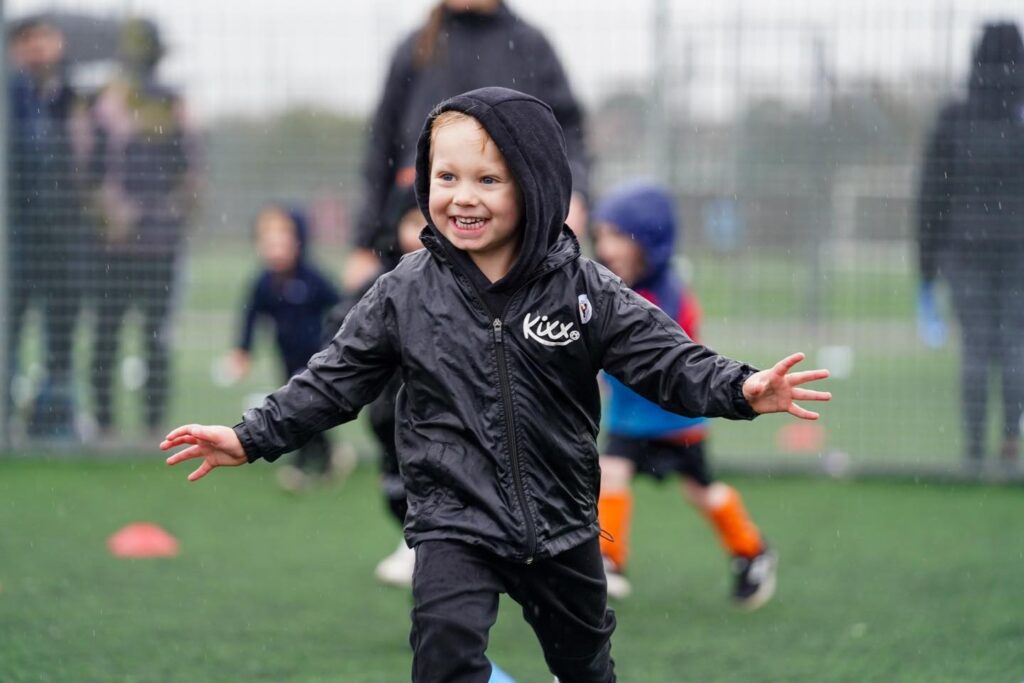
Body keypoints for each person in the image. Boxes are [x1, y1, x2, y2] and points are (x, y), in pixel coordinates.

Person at [161, 87, 831, 682]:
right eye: (445, 175)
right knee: (443, 657)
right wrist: (250, 436)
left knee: (585, 664)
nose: (462, 195)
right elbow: (332, 379)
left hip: (562, 523)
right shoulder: (403, 293)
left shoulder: (585, 291)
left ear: (535, 185)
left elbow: (668, 359)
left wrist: (742, 387)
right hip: (455, 521)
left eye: (488, 178)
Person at [591, 182, 776, 608]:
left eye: (617, 236)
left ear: (649, 243)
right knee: (612, 471)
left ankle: (752, 551)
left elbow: (678, 362)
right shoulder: (606, 288)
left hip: (676, 422)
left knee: (702, 491)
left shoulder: (670, 300)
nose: (605, 247)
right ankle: (609, 560)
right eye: (601, 236)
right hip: (628, 419)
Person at [343, 0, 590, 293]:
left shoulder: (530, 45)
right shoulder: (417, 46)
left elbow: (566, 132)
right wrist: (365, 243)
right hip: (419, 227)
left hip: (508, 235)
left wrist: (575, 193)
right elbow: (381, 146)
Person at [917, 22, 1024, 473]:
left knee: (977, 348)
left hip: (964, 249)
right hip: (1018, 248)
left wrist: (925, 270)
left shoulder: (954, 117)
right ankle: (1009, 441)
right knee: (1016, 344)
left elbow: (931, 197)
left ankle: (975, 451)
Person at [86, 17, 201, 437]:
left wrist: (171, 212)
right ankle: (104, 423)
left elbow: (191, 171)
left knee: (152, 338)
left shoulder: (173, 103)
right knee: (109, 336)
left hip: (156, 242)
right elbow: (88, 171)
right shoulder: (106, 101)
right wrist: (112, 217)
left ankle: (151, 424)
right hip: (115, 246)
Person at [323, 186, 424, 585]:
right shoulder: (384, 284)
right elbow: (342, 326)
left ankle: (429, 549)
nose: (422, 232)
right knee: (397, 493)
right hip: (390, 416)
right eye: (413, 223)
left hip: (445, 416)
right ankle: (415, 541)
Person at [6, 14, 88, 438]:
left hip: (64, 237)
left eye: (45, 39)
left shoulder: (75, 97)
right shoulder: (9, 96)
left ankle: (54, 418)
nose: (39, 48)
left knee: (60, 330)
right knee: (8, 325)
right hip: (13, 237)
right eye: (29, 40)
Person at [228, 205, 344, 491]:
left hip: (316, 357)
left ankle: (300, 466)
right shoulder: (264, 283)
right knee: (304, 409)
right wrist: (243, 351)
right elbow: (250, 316)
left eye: (282, 241)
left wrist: (338, 342)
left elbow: (343, 306)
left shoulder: (312, 278)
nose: (276, 250)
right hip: (286, 357)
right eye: (268, 243)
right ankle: (330, 457)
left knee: (303, 408)